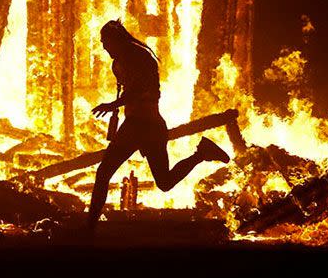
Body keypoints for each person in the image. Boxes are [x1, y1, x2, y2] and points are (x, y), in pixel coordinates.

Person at [87, 20, 230, 230]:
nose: (104, 47)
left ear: (116, 40)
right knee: (160, 181)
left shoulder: (136, 56)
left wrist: (113, 105)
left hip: (143, 125)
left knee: (111, 174)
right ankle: (202, 153)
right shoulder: (123, 59)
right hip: (142, 125)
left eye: (106, 42)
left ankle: (89, 228)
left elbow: (140, 90)